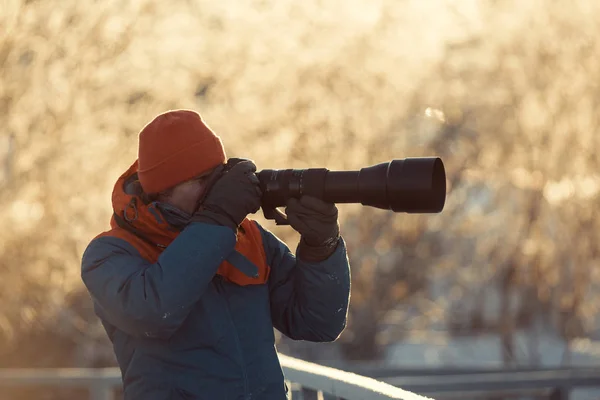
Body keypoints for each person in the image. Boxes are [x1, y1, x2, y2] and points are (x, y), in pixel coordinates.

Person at [81, 109, 351, 400]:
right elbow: (154, 313)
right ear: (163, 190)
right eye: (202, 180)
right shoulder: (109, 254)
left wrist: (321, 246)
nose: (216, 190)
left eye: (218, 176)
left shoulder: (249, 239)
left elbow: (317, 323)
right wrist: (218, 219)